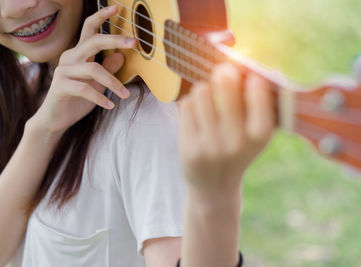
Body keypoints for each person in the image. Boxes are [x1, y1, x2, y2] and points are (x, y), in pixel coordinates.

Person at [0, 0, 274, 266]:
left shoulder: (144, 121)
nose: (15, 7)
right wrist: (41, 131)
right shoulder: (23, 85)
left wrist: (216, 196)